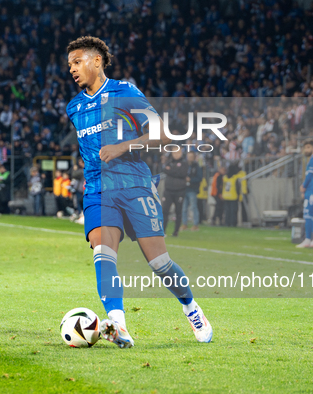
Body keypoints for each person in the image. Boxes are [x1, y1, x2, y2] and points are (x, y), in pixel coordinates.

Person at [65, 36, 212, 348]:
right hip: (98, 191)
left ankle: (191, 307)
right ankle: (118, 326)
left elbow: (162, 133)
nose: (72, 70)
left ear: (96, 61)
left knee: (159, 264)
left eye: (77, 62)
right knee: (103, 254)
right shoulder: (74, 107)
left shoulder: (125, 92)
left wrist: (122, 147)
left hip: (134, 185)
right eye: (69, 65)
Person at [297, 139, 313, 248]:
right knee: (312, 215)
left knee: (308, 214)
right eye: (305, 147)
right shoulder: (311, 159)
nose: (306, 150)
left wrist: (303, 186)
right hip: (311, 190)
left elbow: (309, 177)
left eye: (308, 147)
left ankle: (310, 239)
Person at [162, 150, 187, 237]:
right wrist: (175, 171)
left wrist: (171, 171)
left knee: (178, 211)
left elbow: (183, 173)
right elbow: (164, 169)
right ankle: (163, 231)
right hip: (168, 190)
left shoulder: (184, 163)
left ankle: (176, 232)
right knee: (165, 210)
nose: (176, 154)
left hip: (179, 190)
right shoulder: (169, 162)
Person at [181, 152, 202, 231]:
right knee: (184, 208)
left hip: (192, 189)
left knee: (193, 207)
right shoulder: (184, 165)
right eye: (188, 156)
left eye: (191, 157)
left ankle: (195, 224)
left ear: (194, 157)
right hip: (184, 189)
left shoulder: (197, 166)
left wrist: (191, 180)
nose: (190, 158)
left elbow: (199, 178)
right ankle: (184, 224)